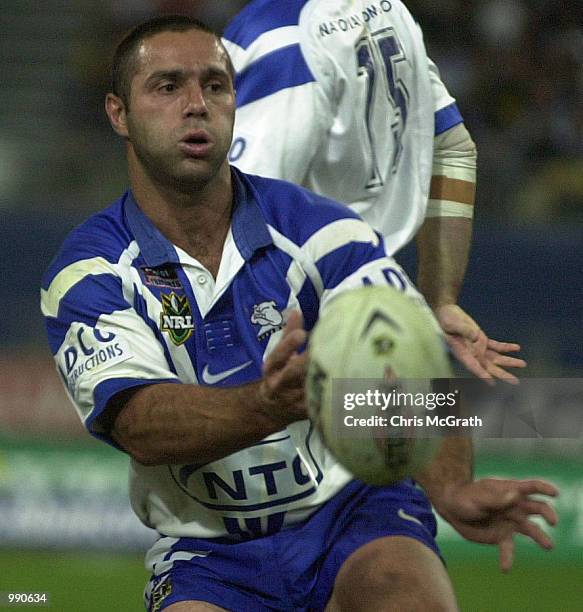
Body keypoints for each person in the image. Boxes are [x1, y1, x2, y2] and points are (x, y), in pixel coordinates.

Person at [41, 16, 557, 612]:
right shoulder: (90, 270)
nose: (196, 105)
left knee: (406, 596)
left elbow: (417, 366)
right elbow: (139, 425)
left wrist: (451, 485)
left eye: (216, 85)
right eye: (167, 86)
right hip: (208, 550)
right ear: (118, 114)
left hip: (356, 515)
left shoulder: (322, 229)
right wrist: (268, 402)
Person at [222, 0, 522, 382]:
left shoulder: (278, 33)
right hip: (384, 302)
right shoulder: (387, 10)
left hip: (296, 324)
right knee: (436, 436)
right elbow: (453, 146)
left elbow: (240, 208)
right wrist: (440, 298)